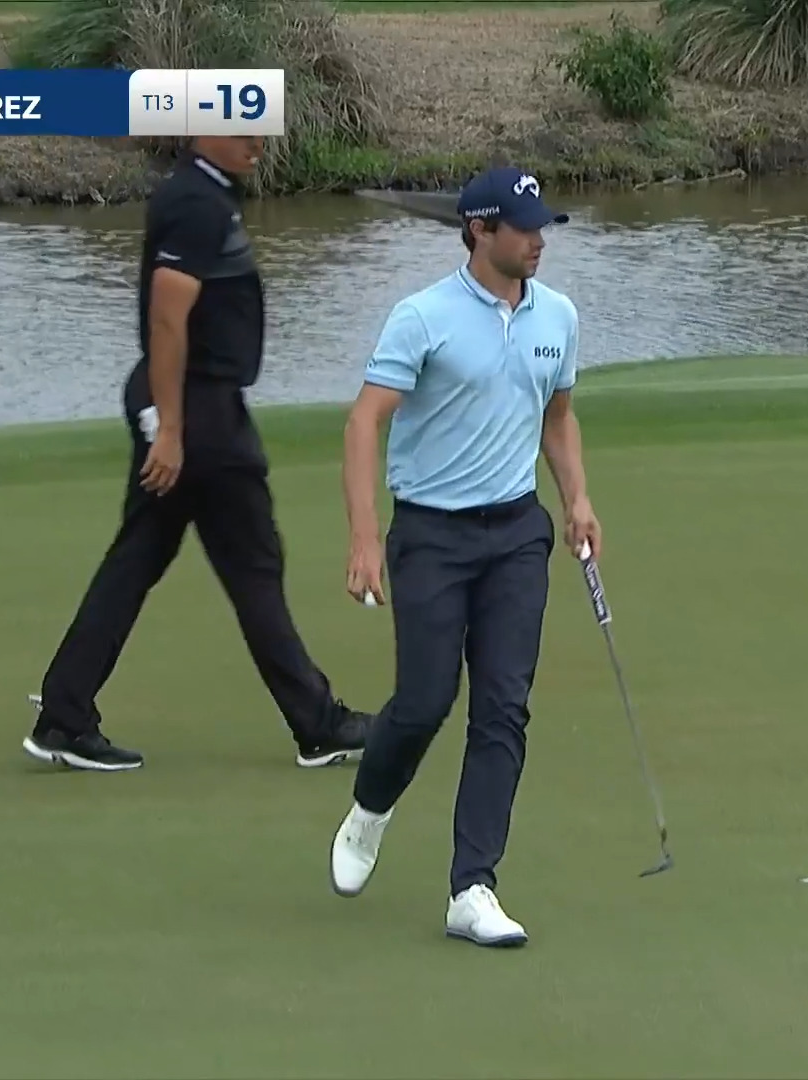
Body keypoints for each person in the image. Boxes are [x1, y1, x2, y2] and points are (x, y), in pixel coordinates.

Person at [22, 135, 370, 773]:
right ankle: (318, 725)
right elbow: (166, 317)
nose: (258, 141)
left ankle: (64, 714)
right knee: (253, 565)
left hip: (192, 405)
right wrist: (172, 430)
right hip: (199, 412)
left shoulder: (206, 193)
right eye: (241, 128)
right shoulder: (195, 203)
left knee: (138, 560)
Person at [327, 166, 601, 947]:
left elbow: (557, 416)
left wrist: (577, 498)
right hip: (432, 536)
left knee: (504, 708)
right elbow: (364, 423)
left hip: (516, 535)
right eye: (524, 227)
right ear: (480, 230)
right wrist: (364, 537)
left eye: (543, 226)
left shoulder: (557, 316)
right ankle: (370, 810)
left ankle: (472, 887)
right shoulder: (423, 317)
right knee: (424, 701)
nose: (539, 240)